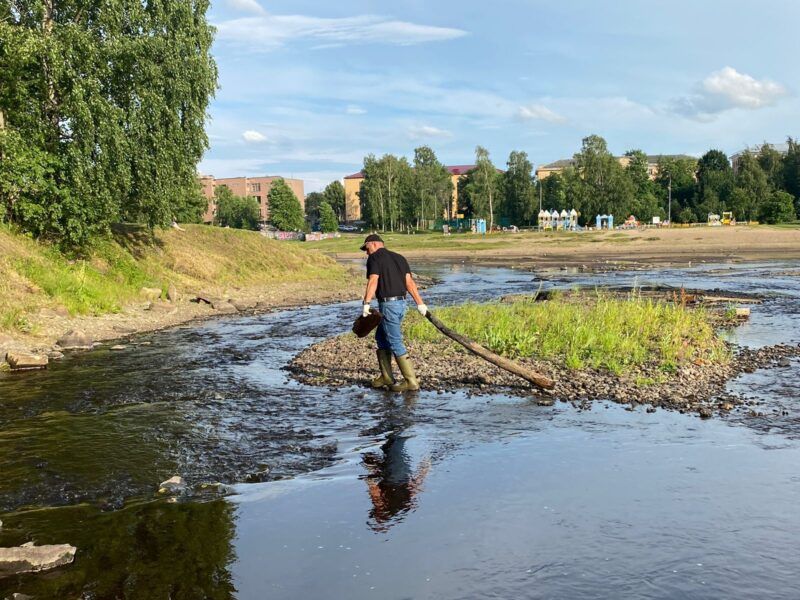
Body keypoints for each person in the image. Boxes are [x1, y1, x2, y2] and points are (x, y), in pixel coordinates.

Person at [360, 233, 427, 391]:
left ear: (375, 244)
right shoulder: (399, 257)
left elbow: (373, 280)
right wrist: (420, 303)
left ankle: (411, 382)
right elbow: (409, 282)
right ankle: (386, 377)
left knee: (395, 341)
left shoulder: (374, 258)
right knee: (381, 337)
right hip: (401, 304)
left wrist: (366, 303)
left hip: (388, 306)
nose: (366, 252)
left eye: (366, 247)